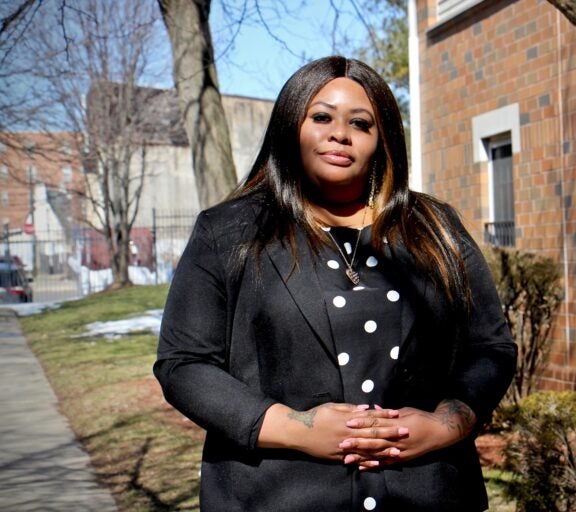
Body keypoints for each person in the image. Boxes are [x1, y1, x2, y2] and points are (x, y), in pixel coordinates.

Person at [154, 55, 517, 512]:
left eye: (361, 123)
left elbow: (491, 348)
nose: (339, 133)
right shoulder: (229, 232)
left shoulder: (433, 228)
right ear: (290, 126)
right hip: (273, 495)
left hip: (425, 493)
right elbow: (184, 365)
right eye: (321, 116)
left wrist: (448, 424)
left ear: (382, 139)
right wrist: (296, 428)